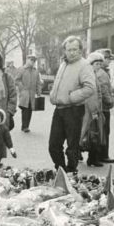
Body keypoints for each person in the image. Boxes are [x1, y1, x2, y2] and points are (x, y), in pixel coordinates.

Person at [48, 36, 96, 174]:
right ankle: (61, 170)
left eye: (75, 49)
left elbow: (90, 88)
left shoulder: (84, 65)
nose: (72, 52)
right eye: (69, 50)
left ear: (81, 50)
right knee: (53, 145)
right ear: (65, 51)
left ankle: (71, 171)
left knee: (72, 146)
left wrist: (71, 97)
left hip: (74, 109)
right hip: (59, 109)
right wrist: (53, 95)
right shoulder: (64, 64)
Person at [82, 52, 104, 167]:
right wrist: (94, 111)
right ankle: (91, 159)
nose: (98, 66)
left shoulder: (94, 75)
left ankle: (91, 158)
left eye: (100, 64)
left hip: (94, 110)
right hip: (89, 111)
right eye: (96, 63)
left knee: (92, 135)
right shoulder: (89, 76)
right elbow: (90, 95)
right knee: (92, 135)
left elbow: (98, 94)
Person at [95, 48, 114, 163]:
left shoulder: (100, 71)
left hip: (100, 107)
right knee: (104, 132)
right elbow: (104, 91)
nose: (110, 61)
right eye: (108, 58)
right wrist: (110, 101)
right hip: (104, 108)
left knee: (101, 131)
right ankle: (103, 155)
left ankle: (100, 155)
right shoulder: (102, 73)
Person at [15, 54, 43, 133]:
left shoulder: (36, 71)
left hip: (32, 94)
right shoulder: (21, 69)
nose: (32, 62)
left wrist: (39, 92)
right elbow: (17, 80)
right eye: (31, 60)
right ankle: (24, 126)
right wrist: (22, 88)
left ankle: (27, 126)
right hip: (24, 93)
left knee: (30, 109)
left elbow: (38, 82)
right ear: (27, 60)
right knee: (25, 109)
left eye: (34, 61)